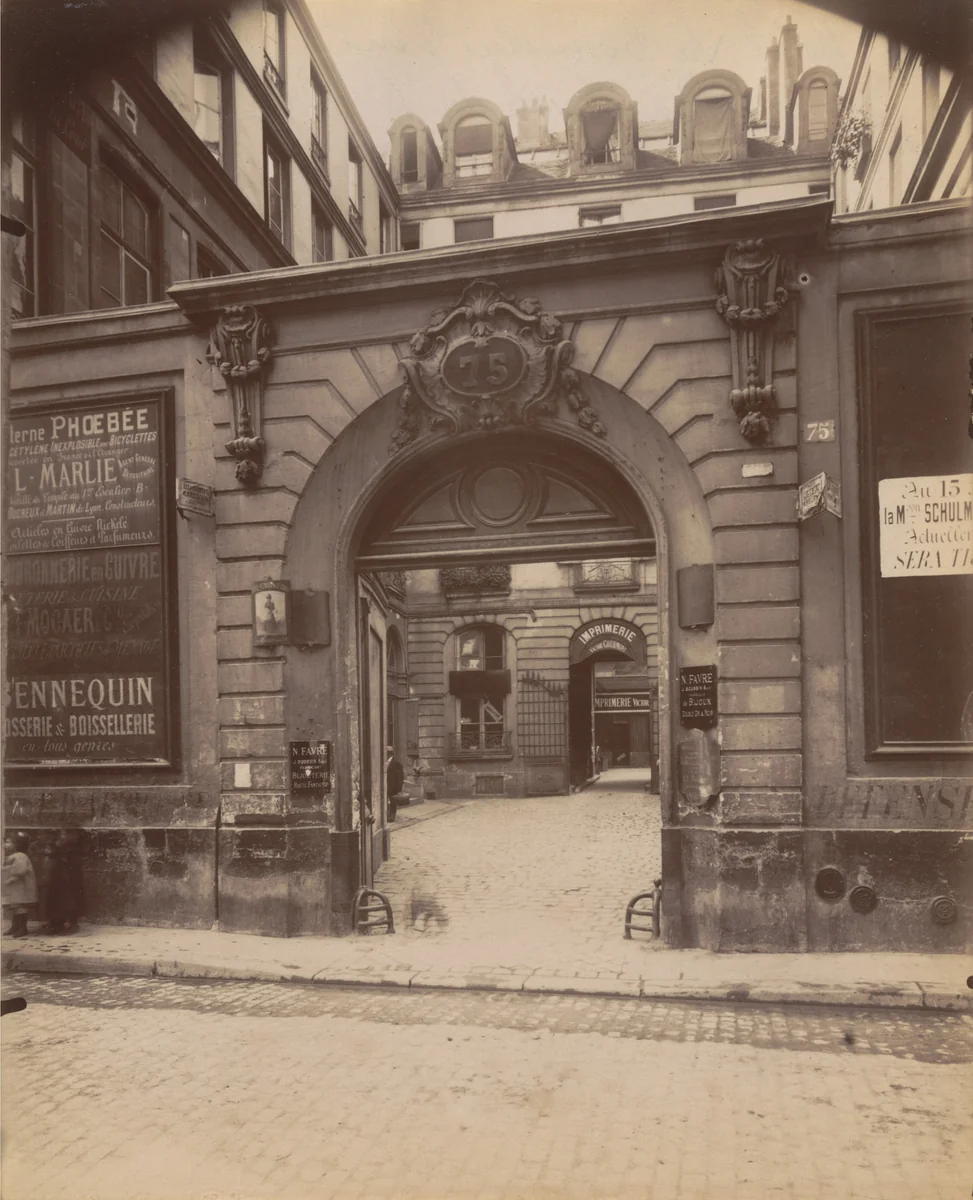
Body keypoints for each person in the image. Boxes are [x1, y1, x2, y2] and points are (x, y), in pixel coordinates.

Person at [43, 828, 83, 934]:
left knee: (70, 901)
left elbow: (74, 864)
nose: (62, 836)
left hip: (69, 879)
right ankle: (57, 923)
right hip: (59, 880)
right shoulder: (59, 848)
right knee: (59, 902)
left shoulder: (72, 849)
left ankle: (72, 923)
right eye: (62, 834)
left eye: (64, 833)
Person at [3, 832, 38, 938]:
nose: (5, 844)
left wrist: (11, 879)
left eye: (9, 842)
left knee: (20, 908)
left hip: (23, 887)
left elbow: (20, 870)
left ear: (17, 844)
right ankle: (15, 926)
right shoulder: (13, 856)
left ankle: (22, 928)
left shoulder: (20, 856)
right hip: (17, 888)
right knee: (15, 907)